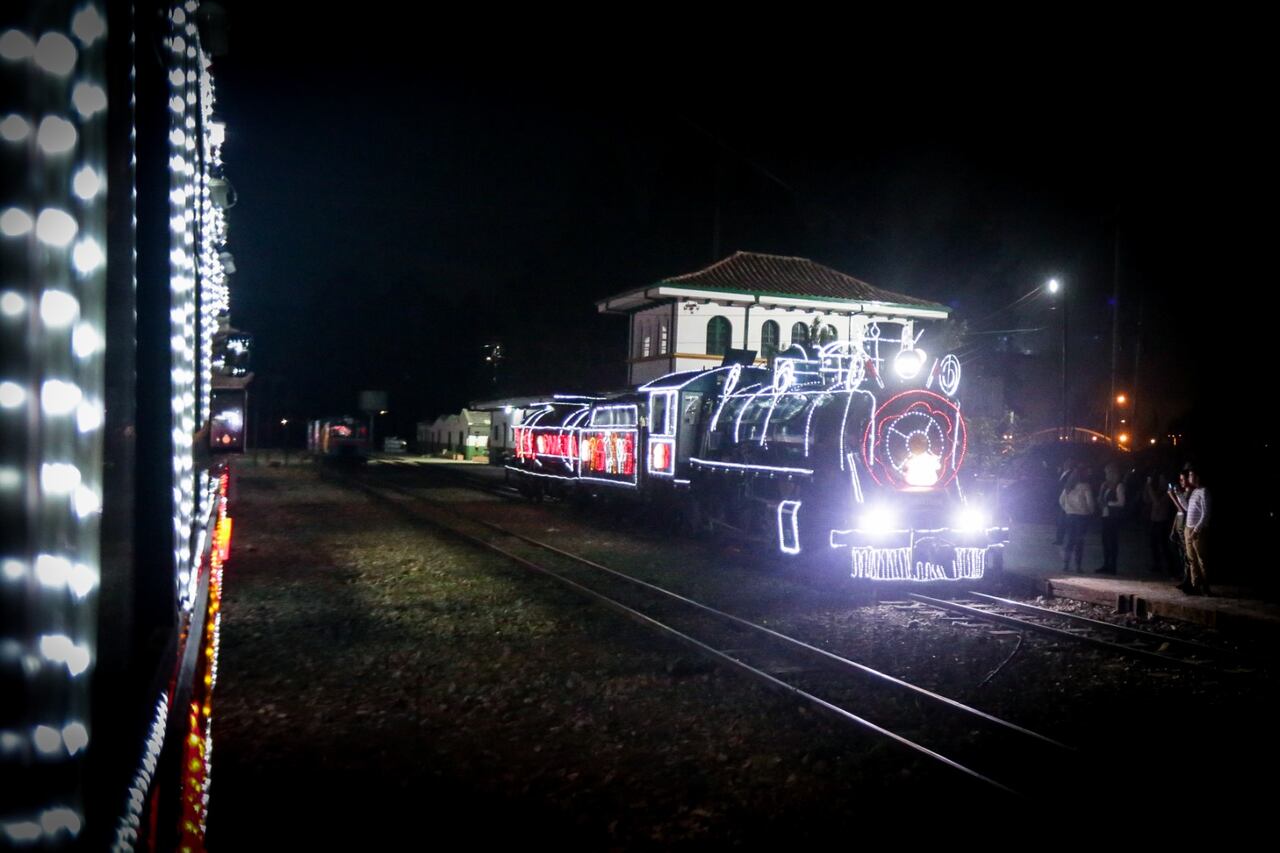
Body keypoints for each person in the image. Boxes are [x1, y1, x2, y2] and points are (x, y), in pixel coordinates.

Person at [1059, 466, 1095, 573]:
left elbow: (1061, 501)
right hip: (1082, 516)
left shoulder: (1068, 487)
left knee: (1070, 540)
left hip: (1070, 515)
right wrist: (1091, 511)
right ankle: (1078, 565)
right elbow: (1090, 502)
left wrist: (1067, 509)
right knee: (1079, 541)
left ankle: (1066, 564)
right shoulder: (1085, 487)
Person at [1183, 465, 1211, 596]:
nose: (1189, 478)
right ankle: (1195, 585)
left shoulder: (1204, 491)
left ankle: (1206, 587)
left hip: (1197, 531)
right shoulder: (1194, 491)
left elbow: (1205, 514)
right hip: (1188, 529)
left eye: (1191, 475)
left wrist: (1196, 530)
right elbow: (1188, 508)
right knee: (1192, 559)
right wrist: (1177, 495)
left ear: (1197, 476)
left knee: (1201, 559)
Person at [1143, 470, 1175, 575]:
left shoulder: (1168, 493)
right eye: (1160, 479)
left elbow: (1157, 502)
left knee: (1164, 545)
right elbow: (1146, 499)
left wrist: (1149, 487)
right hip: (1154, 521)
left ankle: (1171, 567)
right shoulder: (1157, 491)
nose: (1161, 481)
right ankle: (1157, 565)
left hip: (1162, 522)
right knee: (1153, 545)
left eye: (1163, 479)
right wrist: (1146, 487)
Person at [1096, 463, 1125, 574]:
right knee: (1105, 541)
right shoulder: (1106, 485)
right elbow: (1100, 498)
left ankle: (1112, 566)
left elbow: (1121, 502)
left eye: (1107, 473)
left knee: (1112, 541)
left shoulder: (1119, 486)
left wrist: (1108, 503)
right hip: (1105, 515)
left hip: (1113, 517)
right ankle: (1106, 564)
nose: (1106, 475)